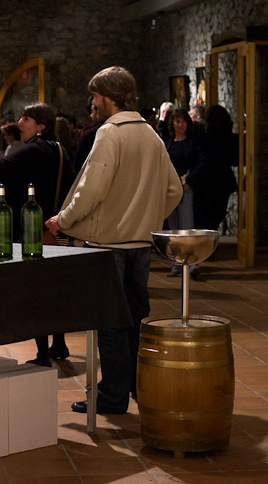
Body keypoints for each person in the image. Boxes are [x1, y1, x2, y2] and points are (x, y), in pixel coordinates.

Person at [46, 66, 182, 415]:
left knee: (109, 324)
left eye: (95, 96)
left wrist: (63, 220)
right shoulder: (150, 134)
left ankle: (112, 397)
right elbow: (174, 189)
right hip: (140, 244)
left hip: (108, 246)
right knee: (136, 321)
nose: (92, 102)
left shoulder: (110, 133)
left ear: (107, 97)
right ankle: (137, 388)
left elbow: (91, 190)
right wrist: (147, 217)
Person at [0, 103, 75, 367]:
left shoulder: (35, 149)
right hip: (59, 231)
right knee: (55, 290)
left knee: (36, 292)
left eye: (25, 119)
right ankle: (59, 343)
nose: (19, 123)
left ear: (41, 126)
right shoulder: (60, 150)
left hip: (37, 231)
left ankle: (42, 354)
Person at [186, 104, 238, 232]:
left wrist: (189, 179)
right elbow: (235, 161)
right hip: (222, 183)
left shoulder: (204, 138)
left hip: (205, 184)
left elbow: (205, 163)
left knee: (203, 221)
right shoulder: (230, 138)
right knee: (214, 219)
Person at [164, 109, 200, 276]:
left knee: (187, 228)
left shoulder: (193, 143)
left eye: (183, 121)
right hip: (171, 190)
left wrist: (188, 181)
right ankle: (176, 264)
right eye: (177, 121)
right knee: (174, 230)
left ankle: (192, 264)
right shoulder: (168, 143)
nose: (180, 125)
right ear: (172, 124)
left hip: (186, 188)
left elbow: (199, 164)